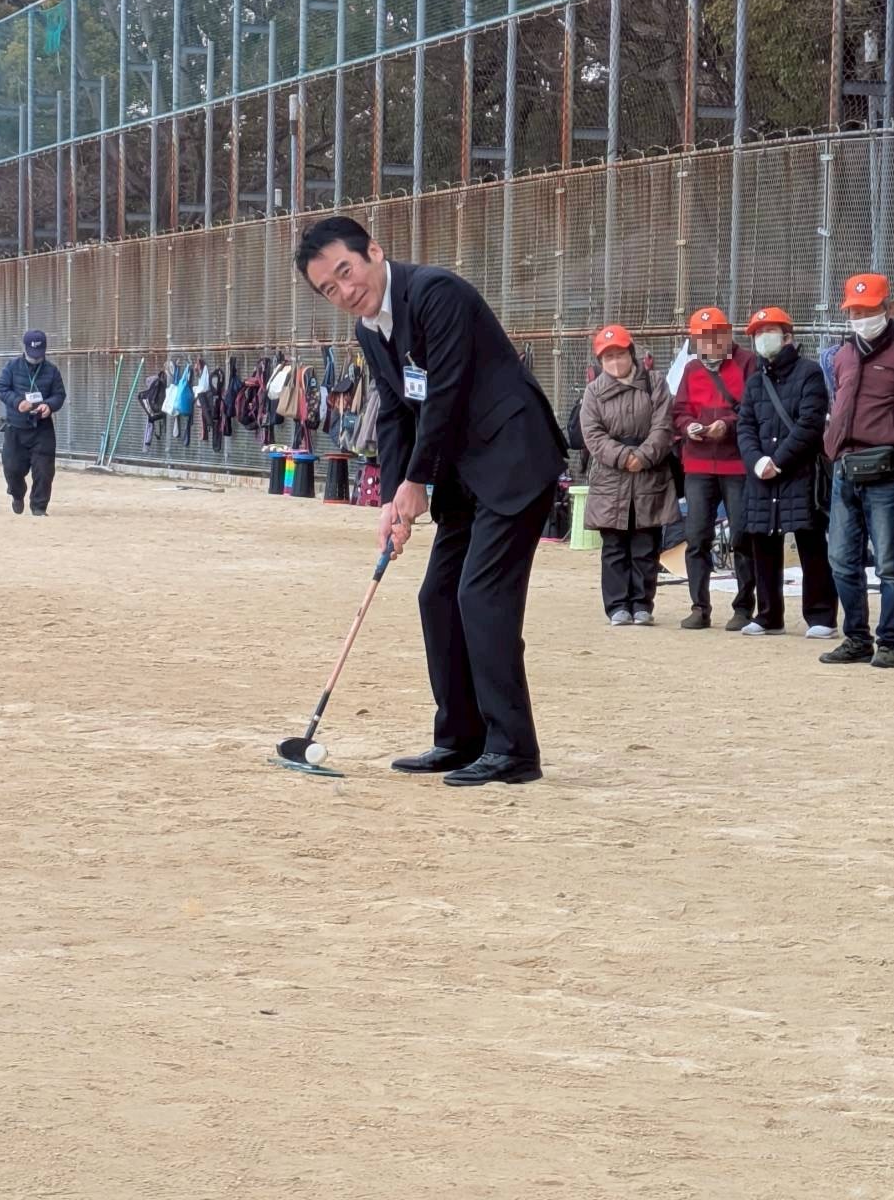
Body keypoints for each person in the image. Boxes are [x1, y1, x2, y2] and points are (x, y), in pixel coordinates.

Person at [294, 216, 568, 787]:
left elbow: (444, 391)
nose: (344, 290)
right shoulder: (370, 330)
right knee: (437, 596)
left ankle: (513, 750)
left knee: (481, 596)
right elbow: (396, 412)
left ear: (373, 251)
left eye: (346, 271)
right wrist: (392, 500)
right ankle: (461, 739)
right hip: (466, 473)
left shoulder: (436, 293)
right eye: (328, 288)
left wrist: (418, 481)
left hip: (514, 458)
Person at [736, 306, 837, 639]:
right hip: (761, 474)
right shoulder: (755, 381)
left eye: (770, 331)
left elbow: (810, 423)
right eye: (758, 333)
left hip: (799, 471)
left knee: (810, 541)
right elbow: (745, 426)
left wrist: (778, 460)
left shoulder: (809, 373)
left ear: (788, 335)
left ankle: (821, 615)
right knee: (763, 541)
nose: (763, 338)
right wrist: (757, 461)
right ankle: (768, 615)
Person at [579, 324, 680, 626]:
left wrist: (644, 455)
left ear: (631, 354)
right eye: (607, 357)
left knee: (645, 544)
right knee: (614, 546)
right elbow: (592, 434)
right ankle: (617, 606)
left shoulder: (654, 382)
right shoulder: (594, 391)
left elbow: (664, 425)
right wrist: (624, 457)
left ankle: (642, 604)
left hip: (650, 473)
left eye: (620, 355)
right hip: (611, 478)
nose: (614, 362)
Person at [819, 272, 894, 668]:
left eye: (868, 310)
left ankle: (890, 642)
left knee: (889, 564)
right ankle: (857, 639)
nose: (861, 318)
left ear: (887, 308)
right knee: (842, 561)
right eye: (855, 311)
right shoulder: (842, 354)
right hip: (844, 469)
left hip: (886, 470)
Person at [673, 306, 757, 630]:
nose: (711, 342)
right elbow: (679, 411)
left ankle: (743, 607)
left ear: (727, 333)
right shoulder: (692, 368)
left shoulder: (747, 362)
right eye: (703, 337)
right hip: (697, 462)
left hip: (736, 463)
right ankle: (699, 607)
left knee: (741, 536)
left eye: (716, 334)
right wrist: (689, 426)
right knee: (696, 537)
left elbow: (752, 406)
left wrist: (728, 424)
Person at [0, 330, 66, 517]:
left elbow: (59, 394)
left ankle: (39, 507)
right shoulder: (12, 367)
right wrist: (17, 402)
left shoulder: (52, 371)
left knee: (44, 469)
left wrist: (49, 406)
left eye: (39, 354)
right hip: (15, 427)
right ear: (25, 348)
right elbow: (2, 388)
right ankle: (17, 494)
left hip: (41, 428)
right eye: (32, 353)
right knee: (12, 468)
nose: (35, 358)